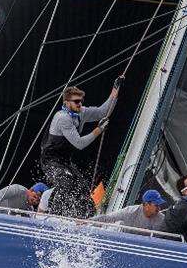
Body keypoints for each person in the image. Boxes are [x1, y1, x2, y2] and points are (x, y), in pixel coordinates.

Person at [40, 77, 124, 219]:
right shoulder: (62, 118)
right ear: (66, 103)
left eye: (81, 101)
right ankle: (52, 217)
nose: (80, 104)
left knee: (84, 191)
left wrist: (115, 90)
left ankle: (84, 220)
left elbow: (103, 112)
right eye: (76, 101)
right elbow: (79, 144)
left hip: (65, 161)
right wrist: (99, 130)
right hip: (50, 161)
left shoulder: (81, 112)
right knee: (66, 183)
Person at [92, 189, 166, 231]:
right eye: (156, 205)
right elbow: (108, 218)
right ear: (146, 205)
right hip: (122, 239)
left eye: (159, 205)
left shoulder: (162, 218)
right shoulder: (130, 211)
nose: (159, 208)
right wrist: (88, 222)